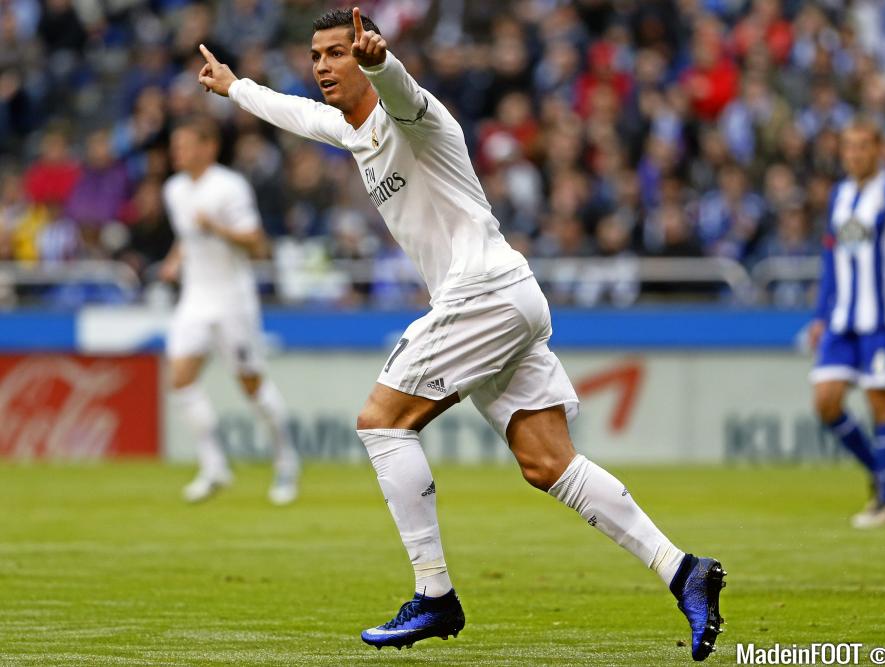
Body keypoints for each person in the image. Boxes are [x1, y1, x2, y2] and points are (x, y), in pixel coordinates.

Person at [197, 8, 726, 660]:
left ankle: (435, 593)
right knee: (548, 463)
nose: (326, 66)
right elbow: (290, 111)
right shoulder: (349, 130)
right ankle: (685, 570)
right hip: (506, 300)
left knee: (381, 421)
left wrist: (382, 60)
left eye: (338, 53)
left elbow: (402, 89)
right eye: (318, 56)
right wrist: (232, 86)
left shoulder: (415, 116)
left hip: (483, 296)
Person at [161, 116, 300, 506]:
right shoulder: (174, 190)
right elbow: (187, 236)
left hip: (231, 299)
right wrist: (175, 258)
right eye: (176, 146)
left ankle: (286, 460)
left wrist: (217, 227)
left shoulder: (229, 187)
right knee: (181, 380)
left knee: (251, 384)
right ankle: (213, 465)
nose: (178, 152)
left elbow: (256, 243)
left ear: (208, 147)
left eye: (185, 145)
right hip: (194, 297)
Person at [808, 119, 885, 530]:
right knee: (825, 402)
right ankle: (883, 468)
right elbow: (830, 258)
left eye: (862, 146)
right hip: (842, 320)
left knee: (879, 401)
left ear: (879, 149)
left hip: (882, 319)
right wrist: (821, 316)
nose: (854, 154)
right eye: (848, 147)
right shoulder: (839, 196)